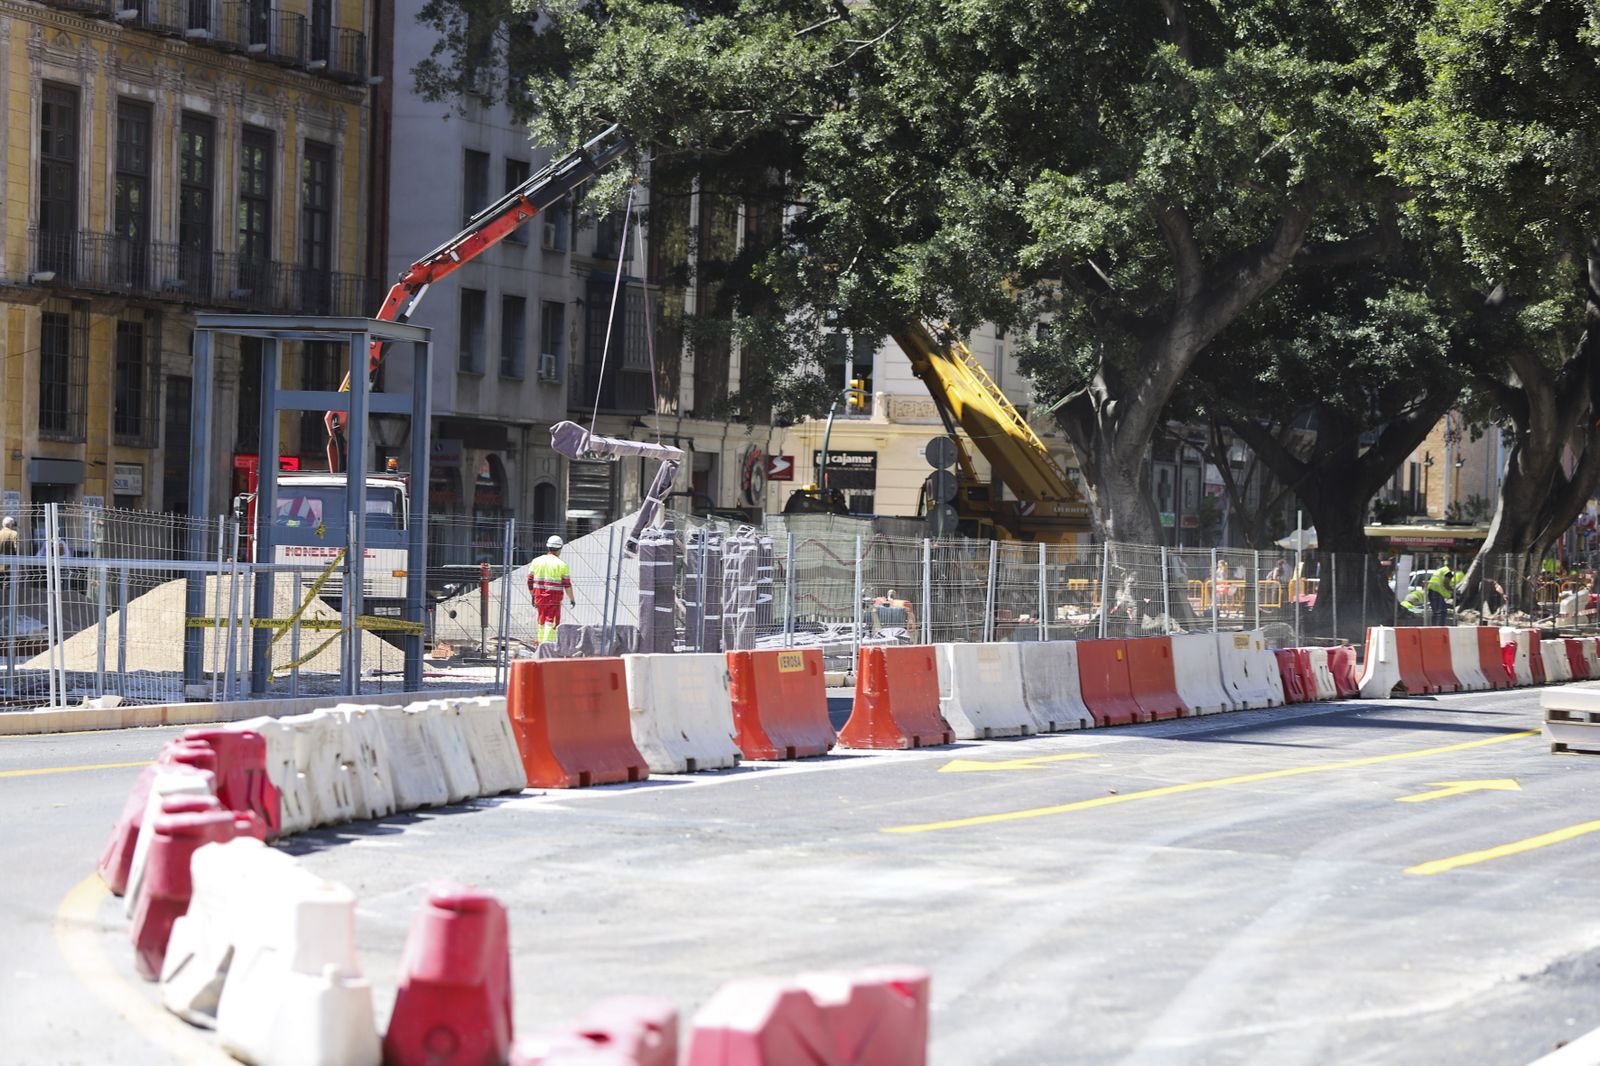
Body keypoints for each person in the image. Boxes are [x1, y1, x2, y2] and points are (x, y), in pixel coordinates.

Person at [527, 535, 576, 644]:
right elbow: (567, 585)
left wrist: (533, 595)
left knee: (541, 621)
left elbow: (530, 581)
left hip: (539, 597)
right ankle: (547, 647)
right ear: (560, 549)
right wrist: (572, 599)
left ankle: (540, 646)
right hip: (554, 599)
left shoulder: (536, 561)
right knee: (551, 622)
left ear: (548, 547)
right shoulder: (562, 565)